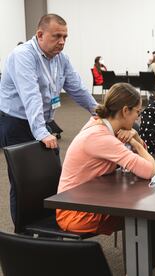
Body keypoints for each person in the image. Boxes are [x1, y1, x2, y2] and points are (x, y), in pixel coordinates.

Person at [0, 13, 97, 223]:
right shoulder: (23, 55)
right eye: (56, 36)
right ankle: (23, 232)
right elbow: (30, 95)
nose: (62, 42)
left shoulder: (61, 58)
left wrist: (98, 110)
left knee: (49, 178)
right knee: (22, 182)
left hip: (41, 123)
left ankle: (49, 225)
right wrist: (42, 132)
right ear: (40, 34)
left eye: (65, 37)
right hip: (17, 123)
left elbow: (77, 88)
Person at [56, 82, 155, 235]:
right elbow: (151, 170)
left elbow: (144, 158)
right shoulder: (101, 137)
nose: (138, 117)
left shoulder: (100, 123)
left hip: (88, 201)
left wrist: (135, 136)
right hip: (75, 213)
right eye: (138, 112)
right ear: (125, 111)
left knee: (144, 210)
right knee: (148, 213)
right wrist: (135, 144)